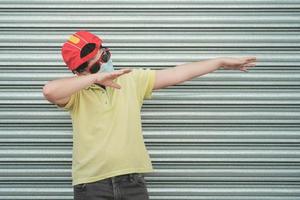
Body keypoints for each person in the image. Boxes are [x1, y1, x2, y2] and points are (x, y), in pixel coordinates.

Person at [43, 30, 257, 200]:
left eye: (105, 56)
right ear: (79, 73)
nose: (104, 66)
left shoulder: (131, 79)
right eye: (95, 66)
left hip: (132, 182)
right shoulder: (76, 92)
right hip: (90, 186)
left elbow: (176, 73)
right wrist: (94, 79)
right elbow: (49, 91)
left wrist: (219, 62)